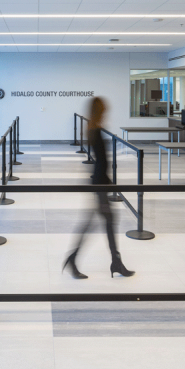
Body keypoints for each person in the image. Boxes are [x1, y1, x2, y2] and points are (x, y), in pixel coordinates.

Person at [62, 97, 135, 279]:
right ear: (99, 111)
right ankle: (81, 259)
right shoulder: (95, 131)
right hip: (100, 184)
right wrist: (107, 183)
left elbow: (100, 162)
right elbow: (101, 162)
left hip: (99, 182)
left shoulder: (92, 129)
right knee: (100, 222)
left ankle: (113, 261)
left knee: (104, 221)